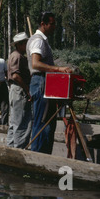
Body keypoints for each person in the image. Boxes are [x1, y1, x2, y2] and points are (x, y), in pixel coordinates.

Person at [27, 12, 72, 154]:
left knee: (47, 123)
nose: (54, 27)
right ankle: (38, 156)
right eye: (51, 24)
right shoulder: (38, 40)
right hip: (41, 81)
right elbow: (35, 63)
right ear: (43, 24)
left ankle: (44, 155)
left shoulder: (41, 40)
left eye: (54, 24)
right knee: (43, 122)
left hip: (43, 82)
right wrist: (58, 69)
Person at [6, 33, 32, 149]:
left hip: (15, 90)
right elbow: (15, 76)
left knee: (14, 121)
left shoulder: (16, 55)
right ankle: (19, 149)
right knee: (21, 122)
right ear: (20, 44)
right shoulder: (17, 56)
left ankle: (11, 147)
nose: (27, 46)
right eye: (26, 43)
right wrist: (27, 89)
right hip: (19, 90)